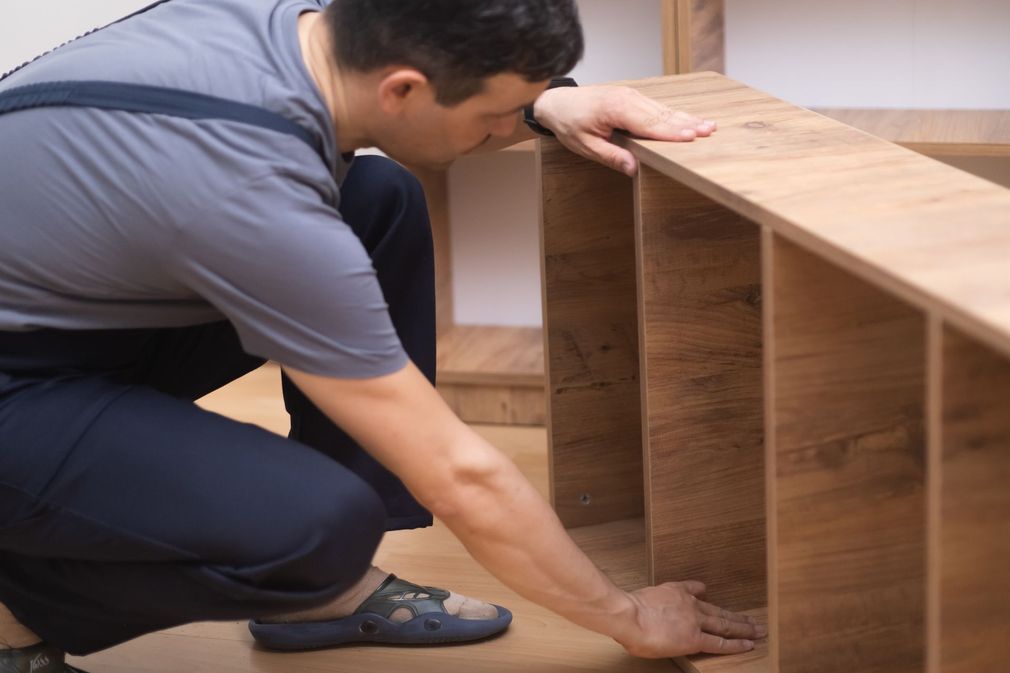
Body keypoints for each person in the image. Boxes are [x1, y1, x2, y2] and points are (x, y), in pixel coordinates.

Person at [0, 0, 764, 669]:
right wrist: (628, 617)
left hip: (59, 310)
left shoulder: (308, 25)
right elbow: (461, 474)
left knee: (374, 197)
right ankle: (13, 616)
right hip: (23, 376)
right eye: (495, 115)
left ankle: (322, 597)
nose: (507, 129)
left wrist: (547, 104)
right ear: (402, 89)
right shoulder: (247, 191)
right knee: (316, 527)